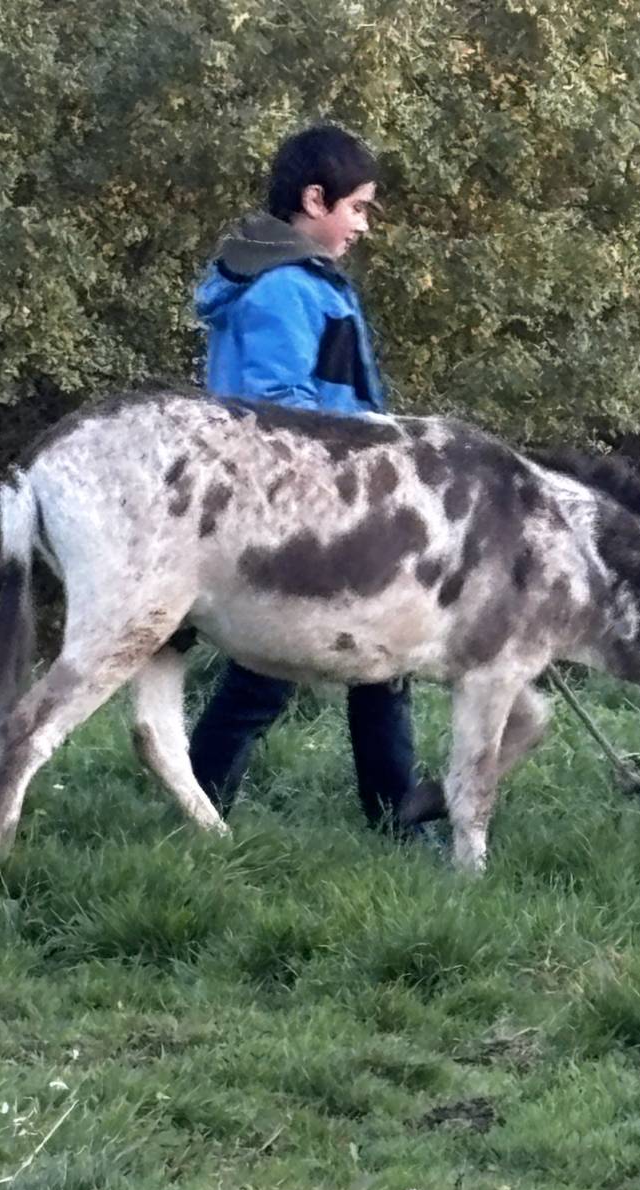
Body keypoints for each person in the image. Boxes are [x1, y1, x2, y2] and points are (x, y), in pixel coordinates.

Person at [188, 123, 418, 832]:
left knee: (371, 664)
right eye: (358, 208)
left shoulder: (299, 280)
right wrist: (374, 443)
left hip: (331, 500)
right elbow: (278, 415)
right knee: (281, 670)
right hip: (297, 507)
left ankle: (391, 813)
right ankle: (391, 820)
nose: (363, 225)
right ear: (315, 200)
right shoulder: (284, 290)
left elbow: (335, 394)